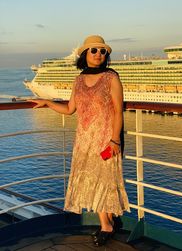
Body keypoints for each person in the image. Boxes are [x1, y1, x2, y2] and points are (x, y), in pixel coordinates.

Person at [29, 35, 130, 246]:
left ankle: (106, 226)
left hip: (106, 139)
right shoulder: (79, 80)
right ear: (85, 54)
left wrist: (114, 141)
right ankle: (110, 221)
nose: (99, 54)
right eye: (94, 50)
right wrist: (47, 102)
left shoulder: (112, 78)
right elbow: (69, 109)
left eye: (103, 51)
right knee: (93, 181)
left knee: (105, 181)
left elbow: (118, 112)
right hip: (84, 140)